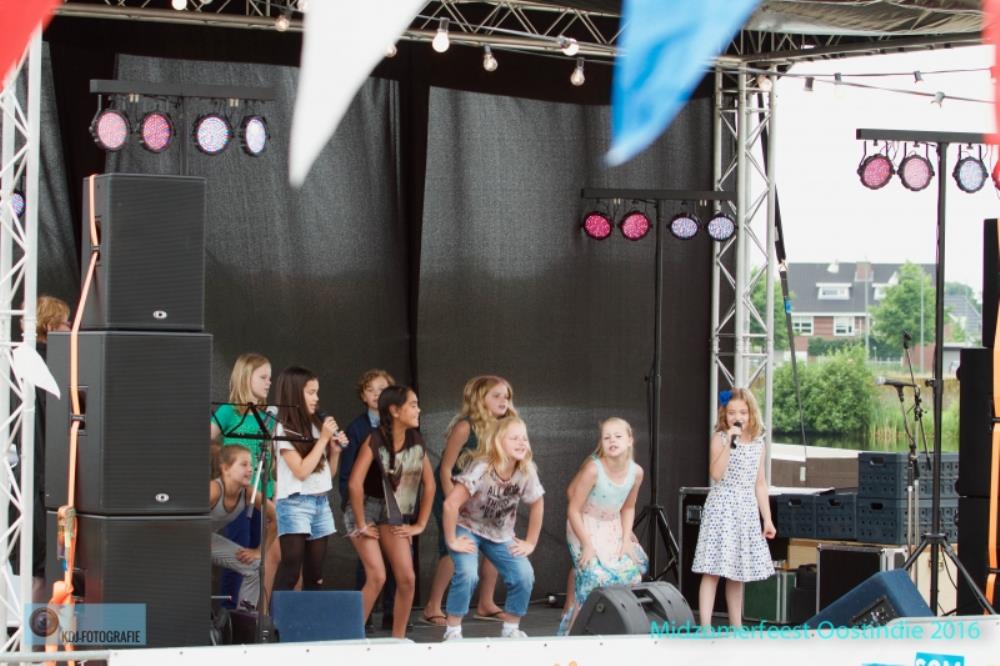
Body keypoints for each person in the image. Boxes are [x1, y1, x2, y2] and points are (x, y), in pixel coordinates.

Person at [422, 375, 517, 626]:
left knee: (494, 540)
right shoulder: (465, 427)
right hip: (456, 491)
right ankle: (433, 606)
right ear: (480, 399)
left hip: (486, 495)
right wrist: (454, 502)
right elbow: (446, 468)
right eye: (496, 396)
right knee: (454, 546)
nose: (503, 400)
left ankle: (486, 602)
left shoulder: (507, 427)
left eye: (506, 396)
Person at [441, 416, 544, 641]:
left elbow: (537, 503)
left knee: (524, 574)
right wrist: (451, 540)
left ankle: (511, 629)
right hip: (468, 527)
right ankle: (453, 631)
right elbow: (450, 504)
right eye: (514, 438)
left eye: (524, 438)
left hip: (500, 534)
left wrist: (531, 542)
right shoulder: (482, 468)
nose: (521, 442)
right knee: (468, 574)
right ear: (498, 442)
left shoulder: (526, 470)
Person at [345, 385, 435, 639]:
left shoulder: (416, 440)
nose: (418, 410)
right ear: (395, 410)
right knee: (377, 576)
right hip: (364, 508)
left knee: (407, 578)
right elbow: (354, 484)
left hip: (392, 510)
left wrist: (419, 525)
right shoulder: (374, 439)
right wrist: (361, 523)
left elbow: (430, 485)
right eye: (413, 405)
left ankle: (398, 640)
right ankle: (349, 639)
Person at [691, 388, 776, 630]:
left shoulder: (759, 442)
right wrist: (730, 441)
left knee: (737, 571)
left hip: (745, 509)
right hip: (722, 507)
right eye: (731, 413)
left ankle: (736, 626)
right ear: (724, 415)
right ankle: (705, 627)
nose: (737, 417)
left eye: (742, 412)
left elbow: (760, 483)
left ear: (751, 414)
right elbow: (716, 474)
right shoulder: (720, 438)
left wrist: (767, 519)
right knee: (712, 569)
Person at [559, 417, 647, 635]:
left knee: (630, 571)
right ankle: (573, 633)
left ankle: (613, 628)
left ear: (630, 440)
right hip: (585, 524)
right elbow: (573, 509)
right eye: (607, 437)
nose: (612, 440)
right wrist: (587, 544)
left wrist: (626, 538)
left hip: (612, 524)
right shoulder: (593, 469)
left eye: (618, 436)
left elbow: (628, 507)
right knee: (593, 576)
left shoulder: (636, 472)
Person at [210, 353, 278, 608]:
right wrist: (225, 458)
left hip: (262, 490)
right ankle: (227, 612)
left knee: (255, 557)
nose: (268, 382)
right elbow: (206, 439)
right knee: (238, 551)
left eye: (270, 378)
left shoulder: (268, 415)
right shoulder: (229, 411)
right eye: (263, 377)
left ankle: (246, 612)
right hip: (238, 494)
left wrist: (274, 483)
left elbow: (271, 455)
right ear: (246, 377)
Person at [272, 366, 348, 591]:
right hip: (294, 502)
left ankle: (309, 614)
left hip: (320, 501)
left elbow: (326, 476)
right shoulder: (283, 429)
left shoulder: (316, 425)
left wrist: (335, 452)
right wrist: (323, 440)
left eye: (317, 392)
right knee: (291, 569)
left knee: (315, 573)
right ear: (295, 393)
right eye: (311, 392)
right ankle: (277, 613)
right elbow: (301, 471)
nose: (317, 398)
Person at [339, 368, 396, 630]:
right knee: (369, 564)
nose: (376, 395)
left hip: (393, 503)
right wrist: (351, 504)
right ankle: (365, 617)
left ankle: (392, 614)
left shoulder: (400, 424)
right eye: (370, 390)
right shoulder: (357, 428)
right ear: (363, 396)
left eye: (381, 390)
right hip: (365, 503)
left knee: (396, 560)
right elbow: (348, 473)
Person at [25, 296, 71, 601]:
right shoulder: (51, 367)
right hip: (43, 478)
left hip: (36, 476)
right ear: (52, 326)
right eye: (66, 322)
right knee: (42, 563)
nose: (70, 328)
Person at [209, 445, 276, 609]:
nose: (250, 469)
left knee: (254, 566)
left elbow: (276, 518)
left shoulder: (247, 493)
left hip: (206, 540)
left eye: (251, 465)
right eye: (244, 464)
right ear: (225, 469)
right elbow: (184, 520)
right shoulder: (213, 490)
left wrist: (260, 551)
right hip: (181, 540)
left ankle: (245, 618)